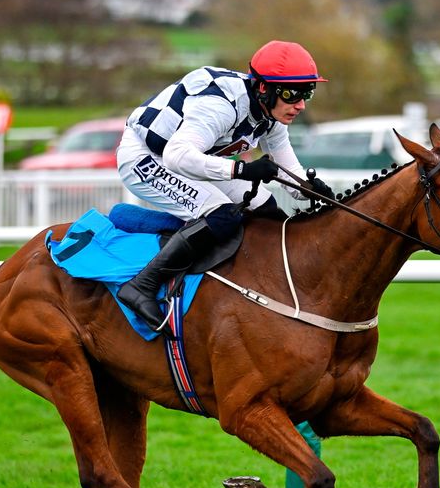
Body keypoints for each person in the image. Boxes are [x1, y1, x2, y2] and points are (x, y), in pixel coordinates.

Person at [115, 40, 334, 331]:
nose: (301, 104)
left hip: (191, 160)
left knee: (269, 211)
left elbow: (289, 168)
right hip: (146, 158)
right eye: (293, 94)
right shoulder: (219, 107)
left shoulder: (272, 114)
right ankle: (142, 286)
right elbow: (176, 156)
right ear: (264, 88)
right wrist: (241, 169)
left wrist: (309, 188)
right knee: (221, 215)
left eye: (307, 93)